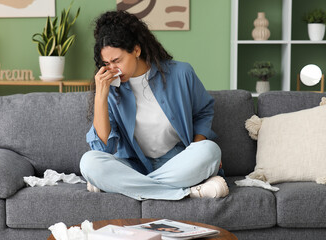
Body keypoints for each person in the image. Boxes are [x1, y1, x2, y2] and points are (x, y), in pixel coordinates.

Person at [80, 10, 229, 201]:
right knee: (89, 163)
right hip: (134, 165)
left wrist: (197, 148)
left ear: (136, 50)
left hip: (177, 161)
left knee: (210, 151)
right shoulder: (112, 88)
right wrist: (101, 96)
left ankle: (129, 187)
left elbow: (203, 112)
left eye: (117, 60)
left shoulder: (181, 73)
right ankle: (188, 191)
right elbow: (103, 150)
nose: (112, 69)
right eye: (106, 63)